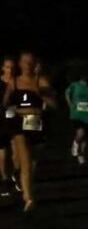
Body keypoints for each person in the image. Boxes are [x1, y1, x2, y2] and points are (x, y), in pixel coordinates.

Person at [3, 51, 57, 212]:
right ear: (20, 64)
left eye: (30, 62)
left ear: (35, 64)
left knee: (33, 160)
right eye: (24, 62)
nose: (27, 65)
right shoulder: (14, 82)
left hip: (34, 120)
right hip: (19, 121)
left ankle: (20, 178)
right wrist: (11, 111)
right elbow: (5, 103)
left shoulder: (41, 81)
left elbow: (55, 105)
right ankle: (28, 198)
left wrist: (41, 94)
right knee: (25, 159)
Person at [65, 67, 88, 165]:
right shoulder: (75, 85)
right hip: (77, 114)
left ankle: (81, 155)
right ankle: (75, 144)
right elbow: (67, 93)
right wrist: (70, 104)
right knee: (81, 133)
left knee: (86, 139)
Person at [0, 55, 17, 198]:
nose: (10, 70)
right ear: (2, 68)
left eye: (12, 67)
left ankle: (15, 175)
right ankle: (5, 180)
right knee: (3, 154)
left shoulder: (19, 82)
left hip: (17, 121)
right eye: (7, 67)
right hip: (1, 122)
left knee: (17, 153)